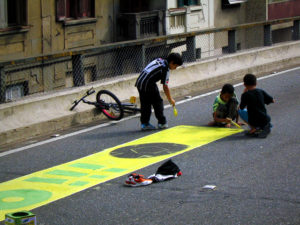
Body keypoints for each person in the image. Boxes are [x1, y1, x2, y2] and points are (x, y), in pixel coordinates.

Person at [135, 53, 183, 130]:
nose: (175, 68)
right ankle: (162, 123)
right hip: (148, 84)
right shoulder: (165, 69)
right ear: (171, 62)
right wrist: (170, 99)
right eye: (176, 66)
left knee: (145, 104)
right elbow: (165, 87)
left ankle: (144, 123)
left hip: (140, 82)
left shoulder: (160, 59)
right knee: (158, 102)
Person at [239, 73, 274, 138]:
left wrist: (244, 93)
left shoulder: (245, 95)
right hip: (265, 118)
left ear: (244, 84)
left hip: (254, 121)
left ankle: (254, 128)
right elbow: (272, 100)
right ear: (256, 83)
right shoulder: (261, 91)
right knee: (261, 112)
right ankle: (264, 126)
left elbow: (241, 107)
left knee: (240, 111)